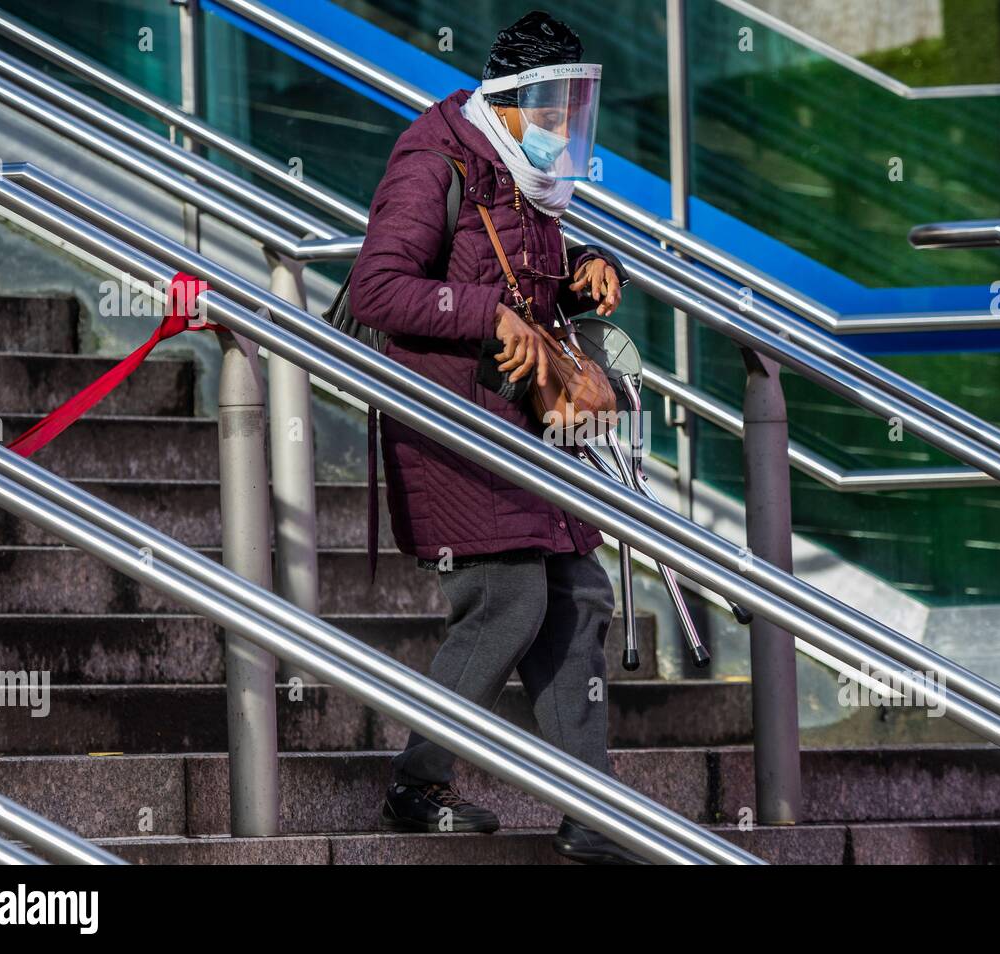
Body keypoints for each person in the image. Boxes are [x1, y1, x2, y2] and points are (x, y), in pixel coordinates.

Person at [348, 11, 642, 865]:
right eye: (547, 114)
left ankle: (595, 815)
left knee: (578, 594)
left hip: (520, 421)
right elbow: (378, 289)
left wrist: (584, 272)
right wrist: (487, 315)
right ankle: (416, 782)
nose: (561, 131)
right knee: (510, 598)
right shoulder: (433, 159)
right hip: (452, 422)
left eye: (570, 115)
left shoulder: (526, 177)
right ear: (506, 103)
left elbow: (523, 276)